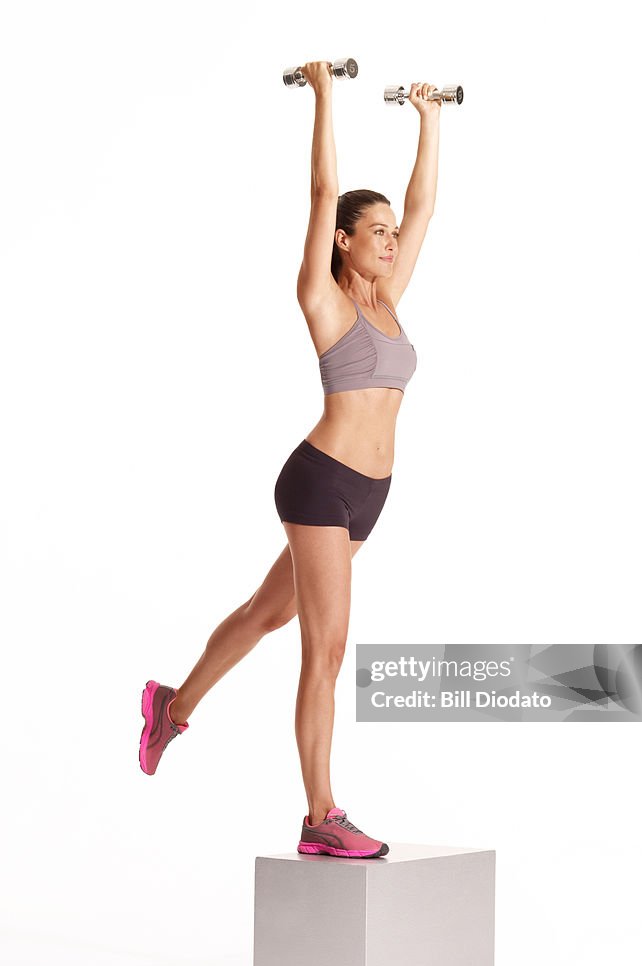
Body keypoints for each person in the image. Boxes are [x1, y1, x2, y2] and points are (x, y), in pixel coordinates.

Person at [139, 60, 441, 858]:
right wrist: (323, 94)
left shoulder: (390, 301)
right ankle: (321, 815)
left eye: (391, 235)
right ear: (344, 241)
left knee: (266, 614)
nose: (390, 241)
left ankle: (172, 705)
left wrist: (430, 117)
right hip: (322, 482)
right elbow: (318, 196)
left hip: (369, 496)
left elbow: (424, 208)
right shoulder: (325, 296)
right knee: (327, 647)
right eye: (375, 232)